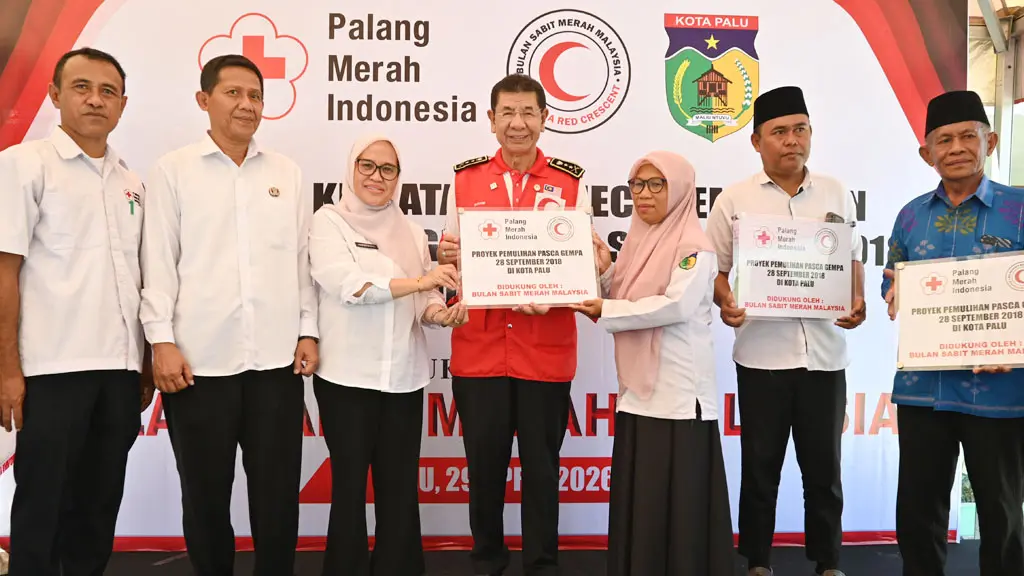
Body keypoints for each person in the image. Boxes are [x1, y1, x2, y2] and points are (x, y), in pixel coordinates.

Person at [139, 54, 318, 576]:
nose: (247, 105)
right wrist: (161, 341)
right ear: (204, 100)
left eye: (256, 96)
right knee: (204, 494)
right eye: (233, 93)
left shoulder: (287, 173)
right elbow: (159, 261)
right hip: (198, 365)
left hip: (276, 364)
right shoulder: (173, 170)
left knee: (279, 494)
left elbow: (301, 263)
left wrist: (308, 330)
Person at [0, 47, 153, 576]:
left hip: (119, 373)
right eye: (82, 87)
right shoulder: (24, 165)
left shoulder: (130, 181)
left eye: (108, 91)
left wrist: (145, 362)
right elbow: (5, 273)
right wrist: (8, 369)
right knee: (41, 505)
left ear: (123, 104)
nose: (95, 99)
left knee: (99, 505)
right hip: (50, 369)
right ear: (54, 94)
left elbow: (138, 279)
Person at [705, 85, 866, 576]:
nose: (792, 140)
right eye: (779, 132)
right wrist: (726, 302)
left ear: (811, 134)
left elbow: (851, 259)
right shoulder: (734, 199)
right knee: (760, 469)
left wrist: (857, 302)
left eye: (800, 130)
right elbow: (715, 270)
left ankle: (828, 561)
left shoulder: (837, 192)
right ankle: (757, 560)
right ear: (757, 142)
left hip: (824, 358)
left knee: (824, 472)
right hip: (762, 358)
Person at [436, 73, 590, 576]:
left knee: (542, 472)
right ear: (491, 120)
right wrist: (449, 257)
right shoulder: (464, 179)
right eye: (508, 113)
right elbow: (450, 260)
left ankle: (542, 564)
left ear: (546, 119)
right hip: (479, 352)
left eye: (528, 113)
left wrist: (584, 268)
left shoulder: (571, 181)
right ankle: (487, 562)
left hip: (544, 350)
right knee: (483, 472)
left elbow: (584, 260)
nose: (518, 124)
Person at [308, 133, 468, 576]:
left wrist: (442, 313)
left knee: (399, 489)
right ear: (351, 168)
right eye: (367, 166)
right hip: (346, 377)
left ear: (399, 178)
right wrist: (420, 284)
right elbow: (349, 286)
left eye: (388, 169)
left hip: (404, 376)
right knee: (348, 488)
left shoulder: (413, 232)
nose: (377, 177)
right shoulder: (328, 222)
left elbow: (423, 303)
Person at [570, 151, 734, 576]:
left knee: (680, 508)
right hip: (640, 395)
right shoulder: (638, 243)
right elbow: (624, 293)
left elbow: (674, 305)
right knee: (643, 502)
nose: (644, 194)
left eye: (656, 184)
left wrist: (605, 308)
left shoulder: (695, 247)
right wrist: (603, 275)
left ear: (679, 190)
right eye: (637, 185)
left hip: (680, 397)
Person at [882, 89, 1024, 576]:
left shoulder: (1019, 208)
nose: (957, 147)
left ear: (991, 140)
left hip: (1000, 392)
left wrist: (1016, 341)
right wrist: (894, 294)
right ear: (927, 153)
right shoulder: (910, 215)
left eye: (969, 136)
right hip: (924, 392)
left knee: (1002, 516)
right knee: (917, 516)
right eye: (944, 140)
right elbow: (892, 280)